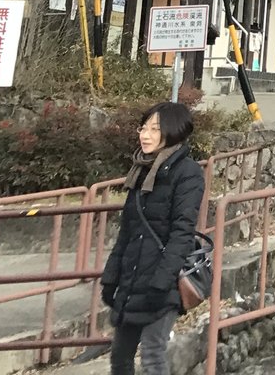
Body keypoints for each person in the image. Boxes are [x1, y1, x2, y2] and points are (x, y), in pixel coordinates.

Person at [101, 101, 204, 375]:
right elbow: (127, 230)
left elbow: (182, 232)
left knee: (152, 355)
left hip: (163, 283)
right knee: (120, 358)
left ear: (172, 132)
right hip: (132, 278)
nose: (144, 135)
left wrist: (161, 282)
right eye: (143, 128)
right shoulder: (141, 170)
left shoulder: (188, 173)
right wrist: (110, 277)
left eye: (154, 129)